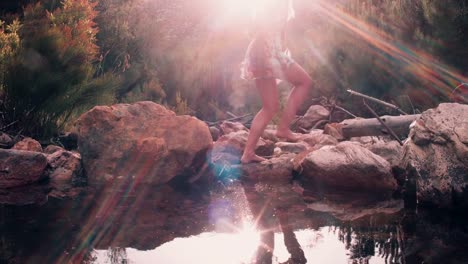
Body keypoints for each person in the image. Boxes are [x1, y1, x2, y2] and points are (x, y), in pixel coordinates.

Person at [240, 0, 313, 163]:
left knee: (270, 107)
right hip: (267, 51)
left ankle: (248, 154)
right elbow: (265, 26)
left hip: (259, 51)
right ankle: (283, 128)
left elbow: (272, 29)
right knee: (305, 82)